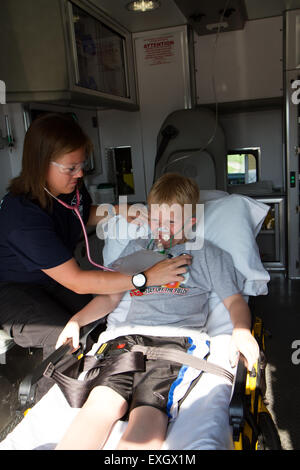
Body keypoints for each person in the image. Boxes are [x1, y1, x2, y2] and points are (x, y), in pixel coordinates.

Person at [54, 173, 259, 450]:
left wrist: (241, 331)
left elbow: (234, 301)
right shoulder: (136, 249)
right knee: (100, 403)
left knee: (148, 410)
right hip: (125, 342)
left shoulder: (208, 255)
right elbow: (110, 299)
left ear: (191, 222)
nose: (161, 229)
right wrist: (75, 321)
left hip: (175, 344)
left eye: (171, 222)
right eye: (155, 219)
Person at [0, 115, 191, 397]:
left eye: (82, 165)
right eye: (71, 168)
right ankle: (41, 407)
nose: (79, 174)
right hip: (13, 291)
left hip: (50, 281)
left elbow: (81, 215)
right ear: (41, 164)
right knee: (63, 340)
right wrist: (145, 278)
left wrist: (118, 209)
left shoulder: (69, 189)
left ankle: (99, 377)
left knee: (97, 320)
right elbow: (78, 281)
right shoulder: (22, 217)